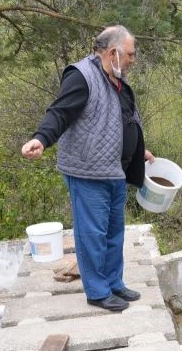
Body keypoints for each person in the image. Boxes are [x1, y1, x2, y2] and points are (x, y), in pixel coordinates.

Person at [21, 25, 154, 312]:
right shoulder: (81, 77)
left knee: (114, 232)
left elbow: (122, 119)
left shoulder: (118, 79)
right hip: (87, 171)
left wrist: (137, 148)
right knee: (92, 234)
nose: (133, 60)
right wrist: (41, 139)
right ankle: (97, 291)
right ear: (112, 53)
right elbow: (60, 112)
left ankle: (114, 283)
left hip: (115, 170)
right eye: (130, 54)